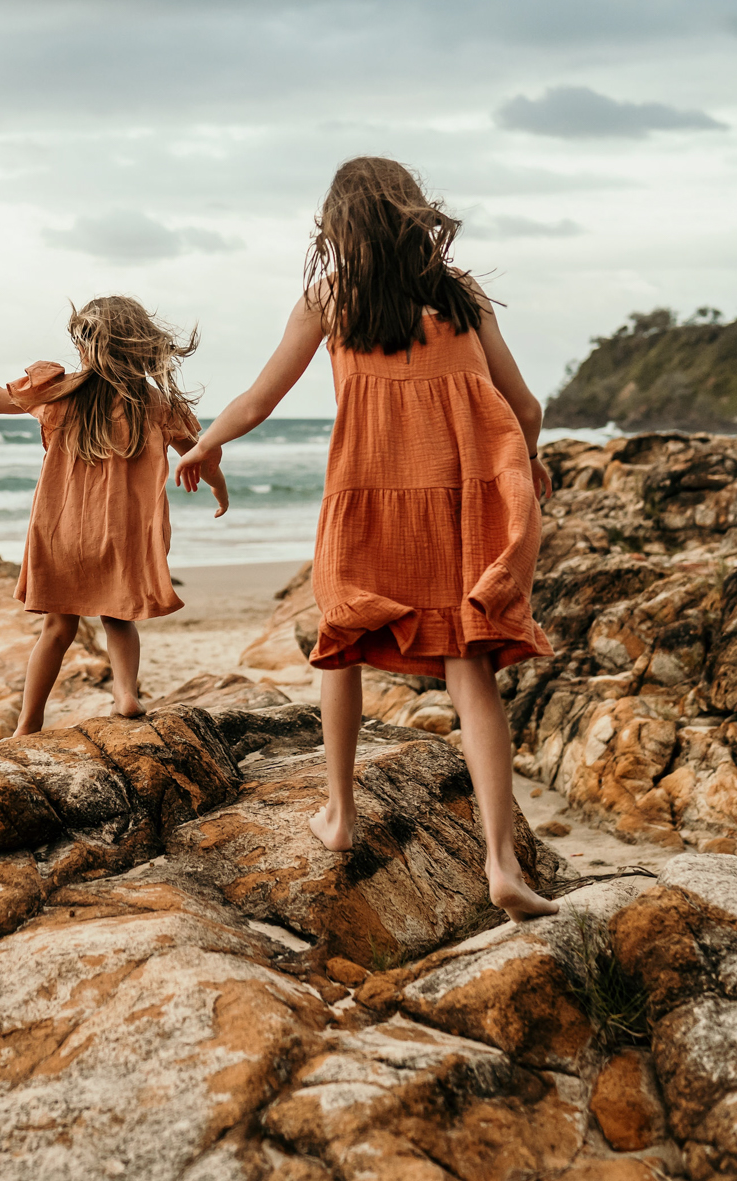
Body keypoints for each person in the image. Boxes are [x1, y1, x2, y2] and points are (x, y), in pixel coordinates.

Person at [174, 157, 558, 920]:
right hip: (457, 504)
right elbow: (525, 403)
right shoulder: (462, 295)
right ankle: (502, 860)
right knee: (469, 669)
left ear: (338, 226)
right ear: (416, 213)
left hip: (367, 498)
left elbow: (259, 398)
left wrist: (206, 443)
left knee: (343, 643)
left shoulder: (329, 297)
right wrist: (531, 463)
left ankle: (341, 813)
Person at [0, 296, 227, 735]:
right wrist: (220, 489)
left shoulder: (58, 390)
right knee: (118, 618)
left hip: (61, 530)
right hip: (125, 533)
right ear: (141, 346)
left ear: (88, 346)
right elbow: (203, 454)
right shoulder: (158, 405)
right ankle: (125, 693)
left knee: (57, 627)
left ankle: (28, 722)